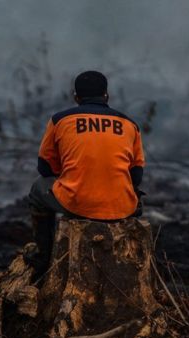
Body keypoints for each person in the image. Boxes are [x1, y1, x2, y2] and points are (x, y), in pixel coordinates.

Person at [27, 70, 145, 279]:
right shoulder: (129, 124)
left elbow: (45, 169)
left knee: (38, 188)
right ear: (106, 95)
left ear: (75, 96)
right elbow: (136, 176)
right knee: (133, 193)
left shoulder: (60, 120)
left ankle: (42, 258)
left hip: (77, 203)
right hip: (122, 207)